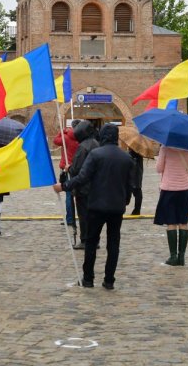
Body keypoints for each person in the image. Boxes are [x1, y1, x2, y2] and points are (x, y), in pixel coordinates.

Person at [54, 123, 136, 289]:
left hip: (96, 205)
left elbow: (82, 177)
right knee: (113, 244)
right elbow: (130, 185)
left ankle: (88, 278)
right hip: (116, 207)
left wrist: (64, 186)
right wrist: (125, 200)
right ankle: (109, 280)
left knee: (91, 243)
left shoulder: (96, 154)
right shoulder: (126, 158)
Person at [154, 139, 188, 266]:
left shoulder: (164, 147)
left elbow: (159, 169)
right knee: (183, 222)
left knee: (171, 222)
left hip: (169, 190)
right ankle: (182, 257)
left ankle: (173, 256)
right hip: (186, 189)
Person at [68, 120, 99, 250]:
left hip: (83, 187)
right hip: (94, 186)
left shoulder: (83, 147)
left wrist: (68, 168)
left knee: (84, 215)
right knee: (93, 216)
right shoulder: (96, 144)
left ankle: (85, 240)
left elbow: (76, 169)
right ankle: (94, 240)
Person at [53, 121, 80, 231]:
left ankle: (69, 219)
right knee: (79, 195)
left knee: (69, 195)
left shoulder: (66, 137)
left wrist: (62, 131)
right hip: (78, 168)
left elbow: (55, 141)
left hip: (66, 168)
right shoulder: (81, 138)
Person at [128, 149, 144, 216]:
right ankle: (137, 210)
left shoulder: (134, 150)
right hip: (138, 171)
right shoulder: (140, 150)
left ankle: (137, 210)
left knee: (136, 190)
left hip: (135, 171)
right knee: (137, 190)